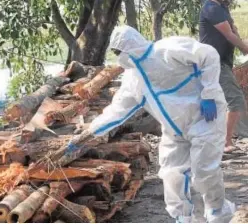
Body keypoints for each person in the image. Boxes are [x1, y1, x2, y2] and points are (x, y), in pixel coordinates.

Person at [63, 25, 236, 223]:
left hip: (205, 118)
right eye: (116, 53)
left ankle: (217, 211)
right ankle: (183, 217)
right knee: (171, 172)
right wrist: (89, 133)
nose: (119, 57)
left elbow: (208, 55)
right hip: (174, 129)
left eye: (119, 52)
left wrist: (209, 93)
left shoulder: (167, 50)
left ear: (131, 45)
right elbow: (116, 112)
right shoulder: (133, 79)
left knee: (204, 170)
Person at [199, 0, 248, 153]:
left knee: (223, 102)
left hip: (221, 63)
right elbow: (228, 35)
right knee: (236, 99)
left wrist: (244, 46)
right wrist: (245, 49)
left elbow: (234, 31)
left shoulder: (222, 8)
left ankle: (219, 140)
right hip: (214, 64)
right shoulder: (211, 8)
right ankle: (225, 142)